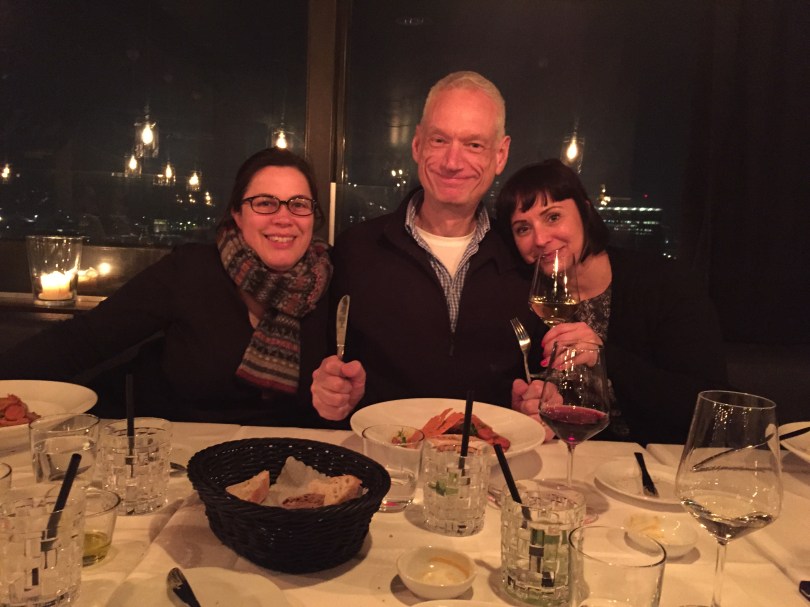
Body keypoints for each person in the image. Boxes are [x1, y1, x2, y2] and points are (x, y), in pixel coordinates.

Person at [0, 148, 333, 427]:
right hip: (174, 460)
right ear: (237, 213)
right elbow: (84, 340)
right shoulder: (191, 270)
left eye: (299, 204)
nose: (284, 217)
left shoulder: (333, 283)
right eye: (264, 203)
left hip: (286, 465)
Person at [311, 71, 548, 427]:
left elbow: (542, 380)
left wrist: (537, 401)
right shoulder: (355, 250)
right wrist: (330, 392)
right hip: (384, 465)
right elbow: (325, 369)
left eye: (474, 145)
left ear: (500, 155)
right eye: (439, 140)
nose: (453, 162)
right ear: (417, 145)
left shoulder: (526, 258)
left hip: (493, 466)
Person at [494, 159, 729, 445]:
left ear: (585, 211)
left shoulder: (664, 283)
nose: (540, 238)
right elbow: (522, 387)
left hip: (653, 463)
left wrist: (603, 356)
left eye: (553, 217)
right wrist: (529, 407)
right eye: (522, 228)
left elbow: (713, 406)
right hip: (566, 459)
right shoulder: (524, 296)